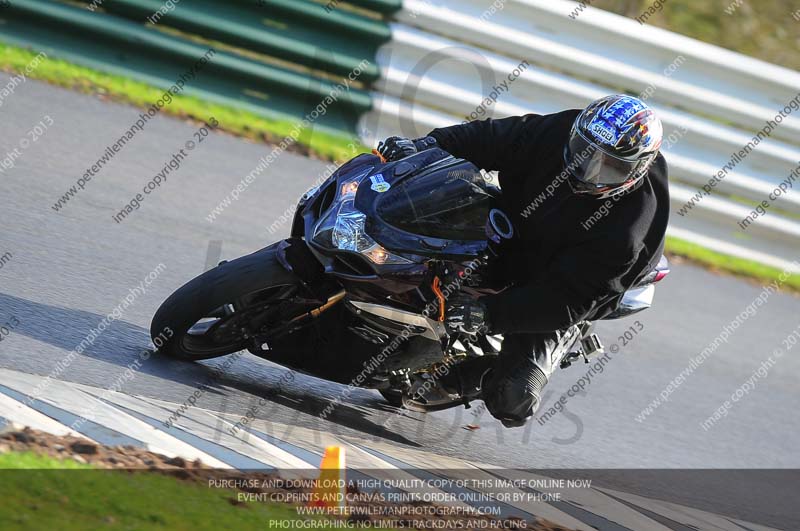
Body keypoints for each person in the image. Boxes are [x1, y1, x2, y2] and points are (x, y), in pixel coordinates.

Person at [377, 94, 670, 427]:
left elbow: (569, 300)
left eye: (610, 166)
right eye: (584, 151)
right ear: (577, 132)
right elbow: (491, 137)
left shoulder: (628, 233)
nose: (588, 169)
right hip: (519, 227)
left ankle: (484, 371)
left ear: (637, 169)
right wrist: (425, 146)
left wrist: (490, 314)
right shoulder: (561, 129)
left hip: (563, 282)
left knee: (514, 398)